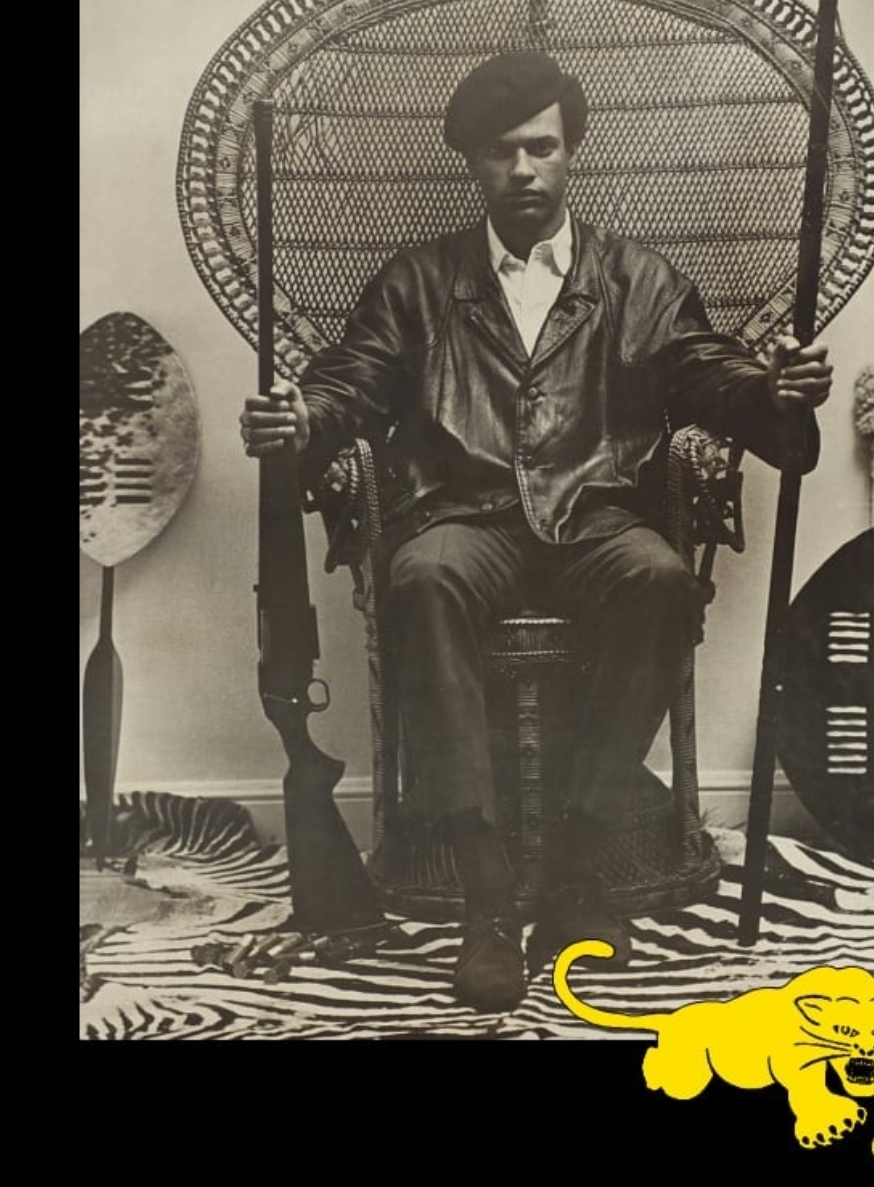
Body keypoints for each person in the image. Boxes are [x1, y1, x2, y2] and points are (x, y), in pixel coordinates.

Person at [240, 50, 832, 1013]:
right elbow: (353, 378)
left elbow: (713, 375)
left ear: (572, 153)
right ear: (472, 161)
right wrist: (304, 417)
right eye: (501, 150)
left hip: (597, 518)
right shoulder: (417, 281)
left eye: (542, 148)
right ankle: (484, 894)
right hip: (461, 516)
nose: (523, 169)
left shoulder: (640, 279)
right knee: (421, 577)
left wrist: (778, 391)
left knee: (661, 580)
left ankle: (575, 869)